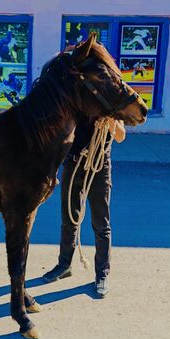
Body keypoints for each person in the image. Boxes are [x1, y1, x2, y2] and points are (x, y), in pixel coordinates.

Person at [42, 115, 126, 297]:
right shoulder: (79, 101)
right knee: (68, 219)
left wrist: (109, 120)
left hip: (99, 166)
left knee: (101, 224)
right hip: (73, 163)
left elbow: (120, 136)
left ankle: (102, 274)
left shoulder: (111, 104)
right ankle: (64, 265)